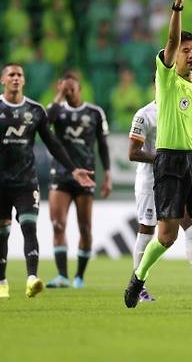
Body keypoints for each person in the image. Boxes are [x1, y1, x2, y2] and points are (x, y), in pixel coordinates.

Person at [0, 64, 95, 299]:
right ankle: (1, 282)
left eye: (19, 75)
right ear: (3, 79)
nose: (16, 78)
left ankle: (32, 278)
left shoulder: (36, 110)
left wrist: (73, 169)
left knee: (29, 226)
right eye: (11, 74)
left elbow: (52, 143)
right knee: (2, 232)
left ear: (24, 80)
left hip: (26, 181)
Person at [124, 0, 192, 309]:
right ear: (174, 55)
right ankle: (138, 277)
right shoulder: (166, 81)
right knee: (166, 236)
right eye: (185, 50)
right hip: (170, 161)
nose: (191, 54)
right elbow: (170, 39)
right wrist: (177, 6)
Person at [45, 72, 112, 289]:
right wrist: (58, 95)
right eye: (65, 89)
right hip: (61, 174)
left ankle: (79, 276)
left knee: (84, 227)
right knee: (57, 224)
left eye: (72, 88)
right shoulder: (56, 109)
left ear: (80, 88)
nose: (69, 92)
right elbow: (46, 124)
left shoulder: (94, 112)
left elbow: (102, 145)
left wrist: (108, 174)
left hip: (86, 175)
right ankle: (62, 275)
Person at [128, 99, 192, 302]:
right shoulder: (145, 114)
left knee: (191, 227)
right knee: (147, 231)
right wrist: (163, 159)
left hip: (176, 180)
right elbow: (132, 153)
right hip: (150, 182)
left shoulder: (182, 108)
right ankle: (138, 286)